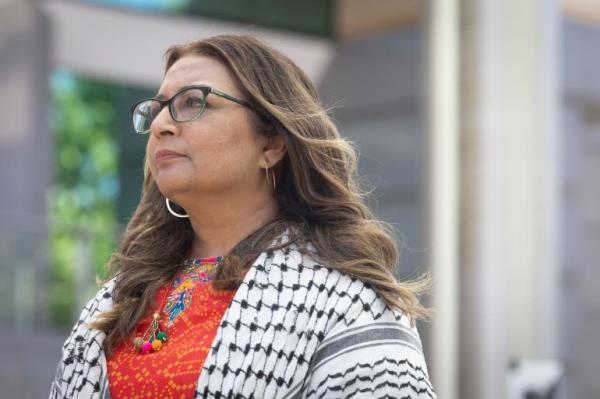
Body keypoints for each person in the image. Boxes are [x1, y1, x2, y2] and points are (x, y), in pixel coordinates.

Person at [50, 34, 437, 399]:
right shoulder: (115, 300)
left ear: (271, 144)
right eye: (157, 109)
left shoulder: (348, 303)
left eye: (193, 102)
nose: (162, 126)